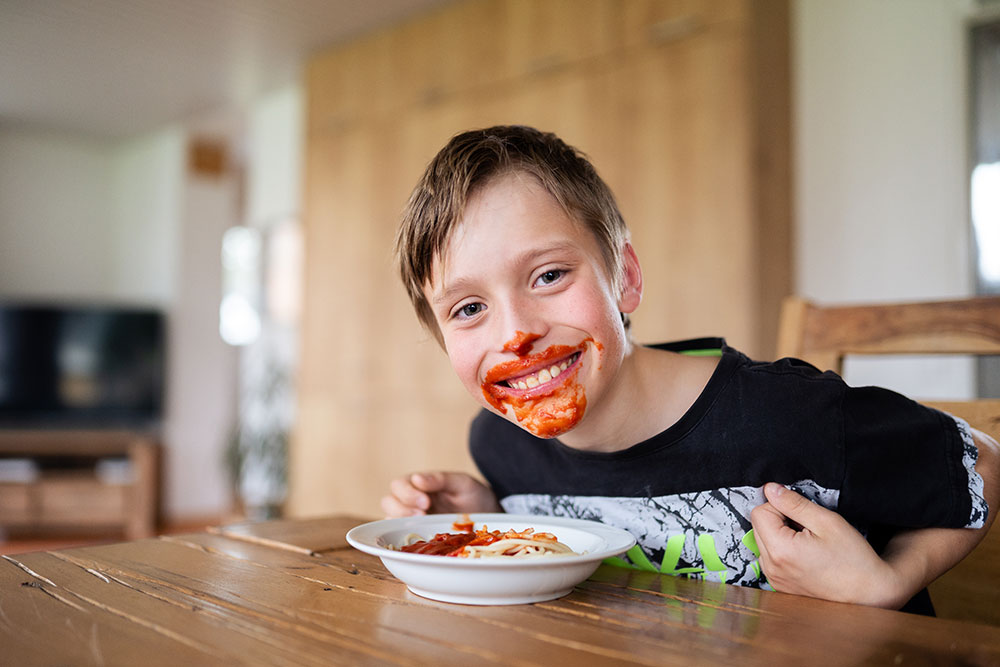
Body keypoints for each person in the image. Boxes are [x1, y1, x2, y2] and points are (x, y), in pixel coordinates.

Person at [382, 124, 999, 611]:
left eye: (548, 275)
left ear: (624, 278)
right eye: (468, 308)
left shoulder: (789, 418)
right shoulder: (499, 444)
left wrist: (889, 583)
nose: (517, 334)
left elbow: (987, 461)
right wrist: (495, 507)